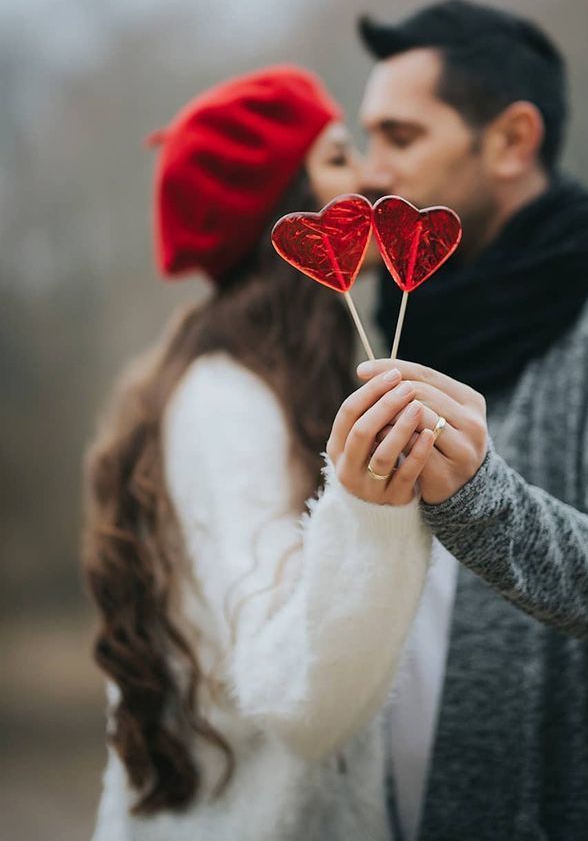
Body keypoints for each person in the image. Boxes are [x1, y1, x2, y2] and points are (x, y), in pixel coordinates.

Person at [356, 0, 588, 840]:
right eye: (367, 137)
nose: (369, 170)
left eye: (402, 137)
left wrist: (481, 500)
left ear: (512, 140)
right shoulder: (402, 324)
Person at [83, 66, 439, 841]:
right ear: (285, 208)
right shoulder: (221, 404)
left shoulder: (292, 380)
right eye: (341, 158)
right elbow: (297, 692)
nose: (375, 176)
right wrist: (375, 505)